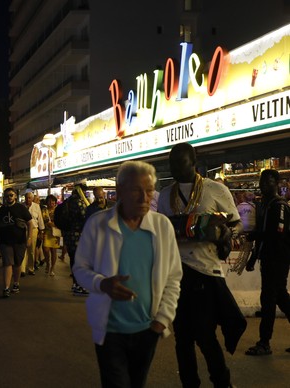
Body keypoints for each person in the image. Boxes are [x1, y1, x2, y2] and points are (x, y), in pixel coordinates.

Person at [73, 161, 182, 388]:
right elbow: (80, 268)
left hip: (147, 329)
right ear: (120, 190)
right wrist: (102, 284)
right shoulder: (98, 224)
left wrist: (162, 320)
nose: (144, 198)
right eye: (136, 190)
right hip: (110, 331)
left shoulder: (162, 226)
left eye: (149, 190)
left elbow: (173, 277)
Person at [157, 142, 246, 388]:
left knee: (205, 335)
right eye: (171, 163)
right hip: (176, 275)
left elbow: (237, 224)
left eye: (180, 163)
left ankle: (222, 382)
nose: (174, 167)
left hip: (205, 272)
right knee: (182, 338)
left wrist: (225, 233)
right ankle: (189, 383)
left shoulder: (215, 190)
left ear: (193, 162)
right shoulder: (165, 195)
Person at [245, 169, 290, 356]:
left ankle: (264, 342)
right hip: (269, 259)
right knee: (280, 297)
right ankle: (264, 342)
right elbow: (262, 236)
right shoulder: (263, 205)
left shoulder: (279, 206)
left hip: (278, 259)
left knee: (269, 300)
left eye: (269, 182)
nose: (264, 185)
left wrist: (255, 235)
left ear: (277, 184)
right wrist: (254, 257)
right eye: (262, 182)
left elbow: (277, 234)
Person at [0, 187, 33, 297]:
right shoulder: (2, 210)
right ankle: (6, 287)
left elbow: (30, 223)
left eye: (11, 195)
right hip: (5, 241)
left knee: (17, 264)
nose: (9, 197)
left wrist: (29, 238)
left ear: (15, 196)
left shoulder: (21, 208)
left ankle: (16, 283)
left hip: (20, 241)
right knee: (7, 263)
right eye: (6, 196)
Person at [61, 184, 90, 296]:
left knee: (73, 259)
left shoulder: (67, 202)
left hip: (68, 235)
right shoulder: (79, 202)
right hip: (78, 235)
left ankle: (75, 284)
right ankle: (79, 285)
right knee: (80, 261)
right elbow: (85, 217)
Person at [21, 191, 44, 275]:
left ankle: (31, 268)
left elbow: (40, 219)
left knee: (31, 250)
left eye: (29, 198)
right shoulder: (21, 206)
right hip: (23, 230)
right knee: (23, 250)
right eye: (26, 198)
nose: (28, 199)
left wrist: (41, 231)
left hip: (34, 230)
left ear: (32, 198)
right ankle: (22, 269)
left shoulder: (36, 206)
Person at [42, 194, 61, 276]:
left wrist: (54, 224)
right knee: (45, 250)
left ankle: (52, 268)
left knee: (54, 251)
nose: (51, 203)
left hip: (55, 233)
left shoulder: (58, 210)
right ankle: (47, 263)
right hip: (46, 232)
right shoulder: (44, 210)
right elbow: (42, 220)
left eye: (52, 201)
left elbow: (60, 220)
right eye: (49, 201)